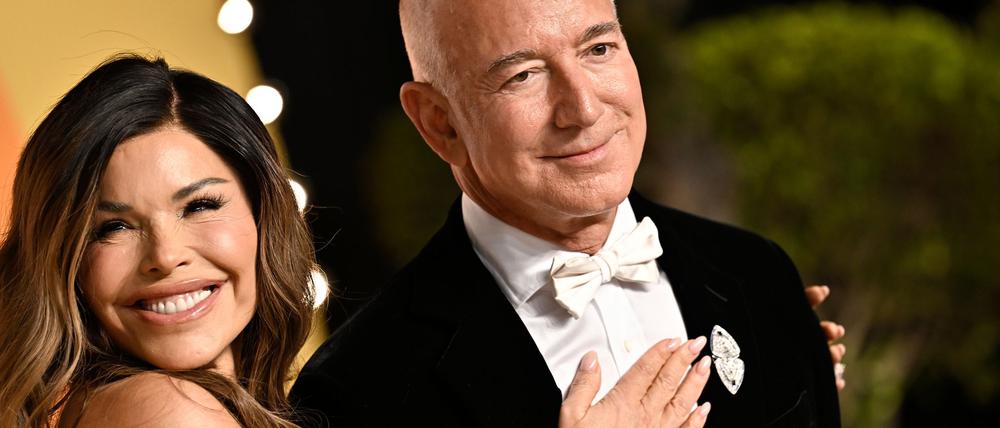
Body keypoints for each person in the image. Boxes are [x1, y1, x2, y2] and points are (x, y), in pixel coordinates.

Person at [290, 0, 844, 426]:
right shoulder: (353, 390)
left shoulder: (758, 271)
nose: (582, 107)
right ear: (440, 122)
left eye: (598, 49)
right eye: (523, 75)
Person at [0, 55, 317, 427]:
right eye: (113, 227)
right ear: (66, 261)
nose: (165, 256)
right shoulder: (170, 412)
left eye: (198, 206)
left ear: (262, 213)